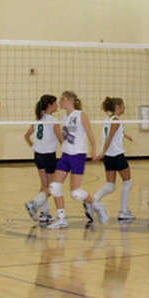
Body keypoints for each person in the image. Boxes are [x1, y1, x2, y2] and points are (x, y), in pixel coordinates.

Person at [47, 91, 99, 229]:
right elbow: (65, 138)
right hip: (66, 155)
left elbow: (90, 134)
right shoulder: (64, 117)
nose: (60, 102)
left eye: (62, 99)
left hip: (78, 155)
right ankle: (62, 218)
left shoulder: (80, 115)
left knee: (76, 192)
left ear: (70, 100)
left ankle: (96, 204)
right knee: (54, 186)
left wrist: (94, 150)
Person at [93, 97, 135, 222]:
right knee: (128, 183)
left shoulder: (108, 120)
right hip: (117, 155)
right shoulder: (115, 120)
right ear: (117, 107)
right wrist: (102, 153)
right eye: (123, 106)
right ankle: (124, 211)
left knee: (110, 186)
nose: (124, 108)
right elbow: (110, 138)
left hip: (109, 157)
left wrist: (125, 135)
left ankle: (93, 201)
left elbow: (113, 133)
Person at [24, 94, 61, 224]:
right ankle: (34, 203)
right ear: (50, 105)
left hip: (38, 155)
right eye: (55, 103)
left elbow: (27, 136)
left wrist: (34, 145)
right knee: (51, 186)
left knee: (44, 186)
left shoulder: (38, 120)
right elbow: (61, 139)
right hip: (49, 156)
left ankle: (45, 213)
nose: (57, 106)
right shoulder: (54, 120)